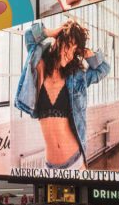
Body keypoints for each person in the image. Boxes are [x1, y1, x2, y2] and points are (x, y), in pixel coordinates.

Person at [14, 19, 110, 170]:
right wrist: (53, 32)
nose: (70, 55)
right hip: (50, 167)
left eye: (74, 51)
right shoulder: (39, 65)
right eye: (68, 47)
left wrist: (85, 53)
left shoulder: (77, 77)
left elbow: (103, 69)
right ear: (59, 41)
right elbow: (29, 35)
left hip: (76, 163)